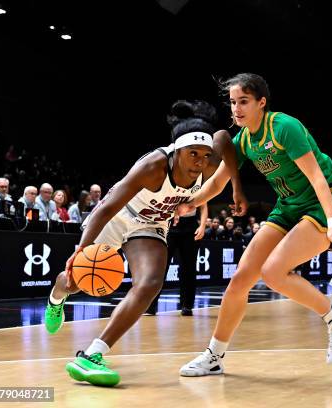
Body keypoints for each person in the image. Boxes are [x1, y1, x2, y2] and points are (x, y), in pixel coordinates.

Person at [42, 100, 246, 387]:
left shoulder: (207, 162)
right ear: (177, 152)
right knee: (75, 281)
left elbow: (224, 138)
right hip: (118, 215)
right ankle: (56, 297)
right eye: (193, 154)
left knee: (151, 284)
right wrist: (80, 251)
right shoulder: (153, 166)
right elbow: (105, 209)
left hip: (151, 224)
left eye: (205, 155)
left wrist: (235, 186)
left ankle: (92, 355)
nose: (200, 162)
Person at [179, 73, 332, 377]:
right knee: (240, 280)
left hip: (319, 204)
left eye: (244, 102)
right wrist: (188, 202)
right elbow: (217, 182)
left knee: (273, 272)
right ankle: (214, 355)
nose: (236, 108)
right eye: (233, 102)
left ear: (261, 103)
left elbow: (317, 177)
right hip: (286, 208)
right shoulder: (245, 140)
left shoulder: (283, 128)